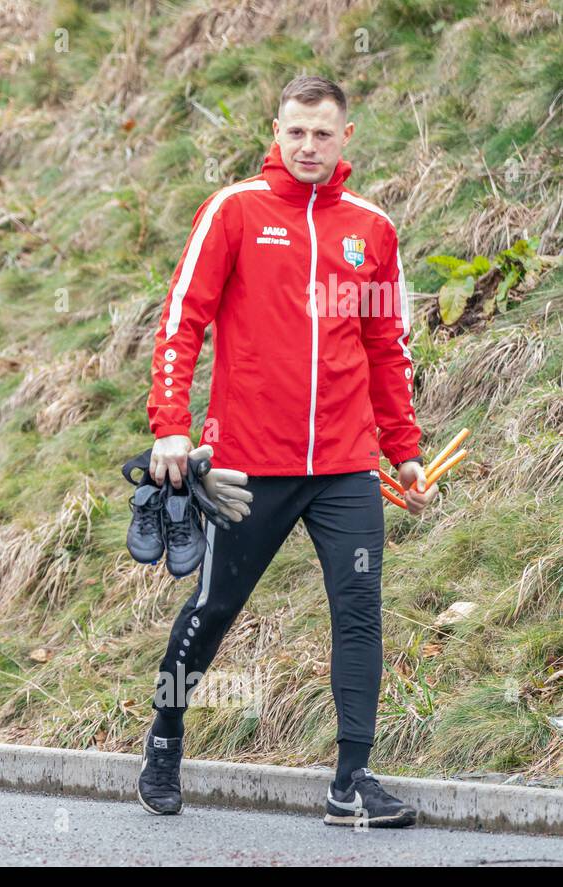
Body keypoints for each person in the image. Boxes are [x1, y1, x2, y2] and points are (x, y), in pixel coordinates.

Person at [136, 76, 437, 828]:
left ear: (347, 136)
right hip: (248, 464)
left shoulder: (371, 229)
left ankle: (352, 779)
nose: (307, 147)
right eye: (295, 133)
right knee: (214, 607)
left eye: (322, 134)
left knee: (359, 610)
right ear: (277, 130)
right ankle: (165, 738)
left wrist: (401, 448)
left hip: (344, 465)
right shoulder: (235, 210)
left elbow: (385, 347)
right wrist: (171, 423)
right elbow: (182, 319)